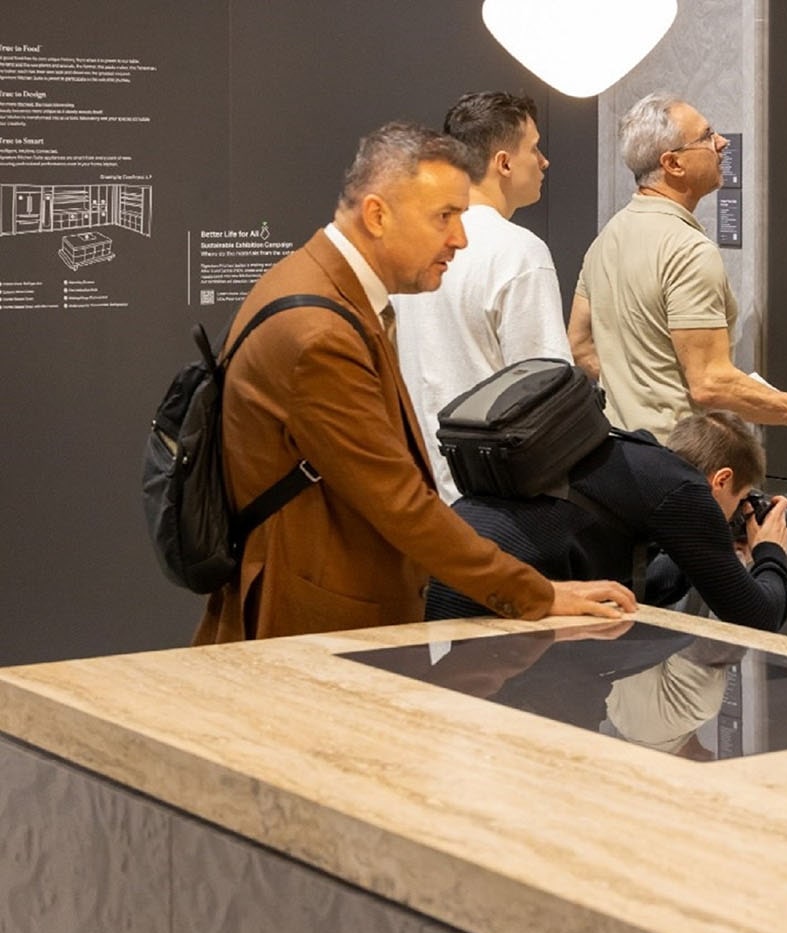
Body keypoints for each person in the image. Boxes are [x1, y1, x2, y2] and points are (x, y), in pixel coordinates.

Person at [194, 121, 634, 645]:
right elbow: (400, 503)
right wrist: (539, 594)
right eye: (444, 217)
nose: (460, 238)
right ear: (377, 215)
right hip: (315, 627)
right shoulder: (319, 334)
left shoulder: (317, 285)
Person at [569, 92, 787, 444]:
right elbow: (710, 383)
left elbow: (579, 343)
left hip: (622, 455)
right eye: (707, 136)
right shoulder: (688, 250)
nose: (723, 143)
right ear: (673, 164)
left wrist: (637, 387)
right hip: (677, 462)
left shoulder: (606, 239)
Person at [426, 410, 787, 632]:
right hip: (506, 586)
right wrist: (770, 551)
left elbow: (637, 587)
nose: (739, 512)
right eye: (741, 500)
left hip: (462, 567)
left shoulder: (634, 461)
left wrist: (713, 554)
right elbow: (758, 617)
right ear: (722, 479)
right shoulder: (685, 490)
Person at [394, 92, 572, 504]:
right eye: (534, 148)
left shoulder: (412, 244)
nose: (543, 161)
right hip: (496, 499)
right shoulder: (519, 251)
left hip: (419, 491)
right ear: (504, 163)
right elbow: (545, 392)